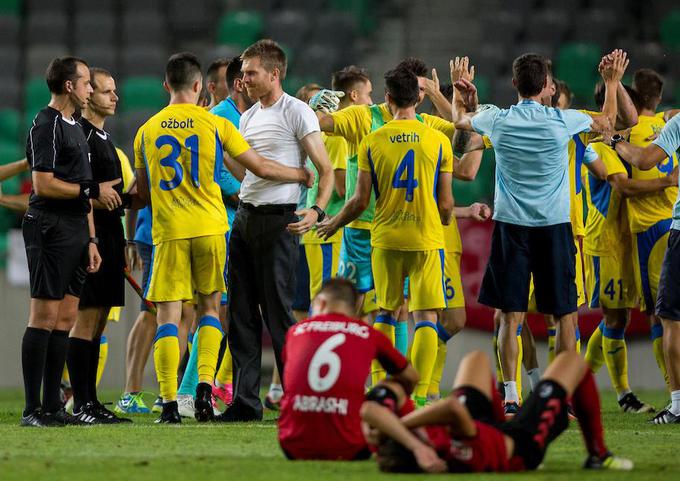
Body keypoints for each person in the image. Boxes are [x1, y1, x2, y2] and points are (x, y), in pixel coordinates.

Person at [134, 52, 313, 423]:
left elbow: (144, 192)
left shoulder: (147, 130)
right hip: (212, 228)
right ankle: (203, 388)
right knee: (210, 310)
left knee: (168, 315)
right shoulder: (214, 122)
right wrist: (299, 174)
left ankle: (169, 403)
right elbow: (259, 168)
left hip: (169, 230)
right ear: (199, 86)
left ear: (167, 85)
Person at [450, 51, 624, 409]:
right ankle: (559, 396)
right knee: (564, 316)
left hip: (512, 227)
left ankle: (512, 396)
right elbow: (608, 122)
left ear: (514, 84)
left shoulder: (496, 119)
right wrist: (611, 82)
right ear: (546, 85)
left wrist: (461, 96)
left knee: (510, 317)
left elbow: (459, 123)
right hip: (555, 227)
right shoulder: (564, 121)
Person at [311, 58, 460, 391]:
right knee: (415, 314)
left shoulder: (374, 140)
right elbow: (465, 131)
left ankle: (379, 384)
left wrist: (332, 222)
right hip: (410, 235)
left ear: (388, 96)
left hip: (381, 233)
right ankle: (411, 393)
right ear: (416, 96)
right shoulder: (412, 129)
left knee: (387, 310)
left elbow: (359, 198)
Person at [219, 40, 333, 422]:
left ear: (274, 74)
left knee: (280, 315)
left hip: (280, 220)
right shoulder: (249, 117)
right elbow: (248, 171)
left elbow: (325, 169)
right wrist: (232, 163)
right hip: (245, 218)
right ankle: (246, 404)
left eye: (251, 72)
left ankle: (298, 401)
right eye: (243, 73)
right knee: (240, 314)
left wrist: (317, 208)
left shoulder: (297, 111)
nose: (243, 79)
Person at [20, 56, 121, 427]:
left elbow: (82, 193)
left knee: (64, 318)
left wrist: (92, 239)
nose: (91, 89)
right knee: (43, 317)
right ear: (69, 86)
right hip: (49, 227)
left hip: (78, 230)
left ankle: (54, 407)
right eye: (86, 83)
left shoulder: (76, 126)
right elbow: (44, 184)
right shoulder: (44, 125)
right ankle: (32, 409)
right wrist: (89, 190)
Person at [361, 351, 633, 473]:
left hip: (482, 425)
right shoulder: (454, 453)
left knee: (475, 359)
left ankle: (497, 418)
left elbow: (370, 410)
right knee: (572, 362)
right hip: (520, 442)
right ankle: (598, 454)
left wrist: (401, 434)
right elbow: (451, 407)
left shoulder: (407, 448)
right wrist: (404, 427)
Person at [582, 84, 669, 413]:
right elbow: (622, 186)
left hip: (628, 237)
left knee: (617, 318)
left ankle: (576, 383)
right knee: (614, 318)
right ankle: (619, 394)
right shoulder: (600, 146)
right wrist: (667, 181)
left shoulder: (627, 140)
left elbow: (657, 120)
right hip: (605, 240)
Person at [278, 278, 418, 460]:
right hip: (350, 448)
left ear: (320, 303)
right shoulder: (367, 333)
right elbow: (412, 377)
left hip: (292, 446)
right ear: (353, 311)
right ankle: (402, 440)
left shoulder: (295, 331)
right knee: (393, 387)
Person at [65, 67, 134, 424]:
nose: (115, 97)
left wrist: (130, 197)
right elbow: (76, 191)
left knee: (99, 323)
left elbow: (112, 194)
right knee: (85, 321)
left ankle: (90, 402)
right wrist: (100, 198)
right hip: (90, 236)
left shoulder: (106, 139)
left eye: (115, 90)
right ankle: (81, 404)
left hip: (111, 235)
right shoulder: (82, 138)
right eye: (107, 91)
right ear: (89, 95)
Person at [608, 99, 680, 425]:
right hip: (665, 226)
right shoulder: (670, 119)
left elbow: (641, 161)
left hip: (653, 232)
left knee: (666, 316)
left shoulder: (673, 124)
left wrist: (614, 140)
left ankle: (676, 403)